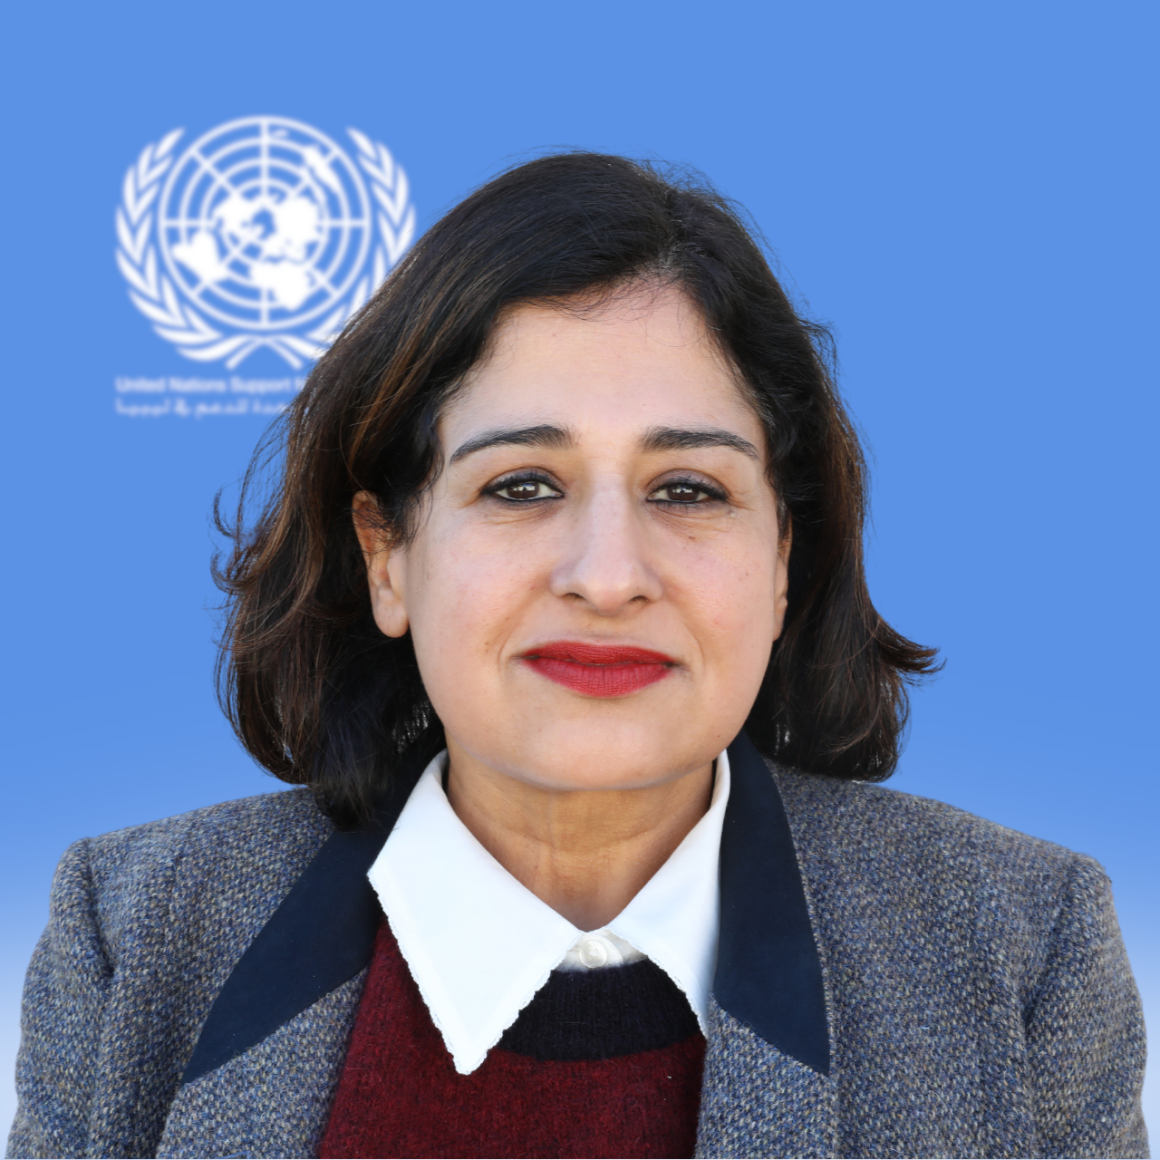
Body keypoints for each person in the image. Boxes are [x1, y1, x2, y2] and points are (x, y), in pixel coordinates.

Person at [8, 153, 1147, 1160]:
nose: (607, 577)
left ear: (782, 560)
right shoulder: (137, 936)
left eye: (686, 490)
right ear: (387, 555)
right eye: (520, 485)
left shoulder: (1018, 948)